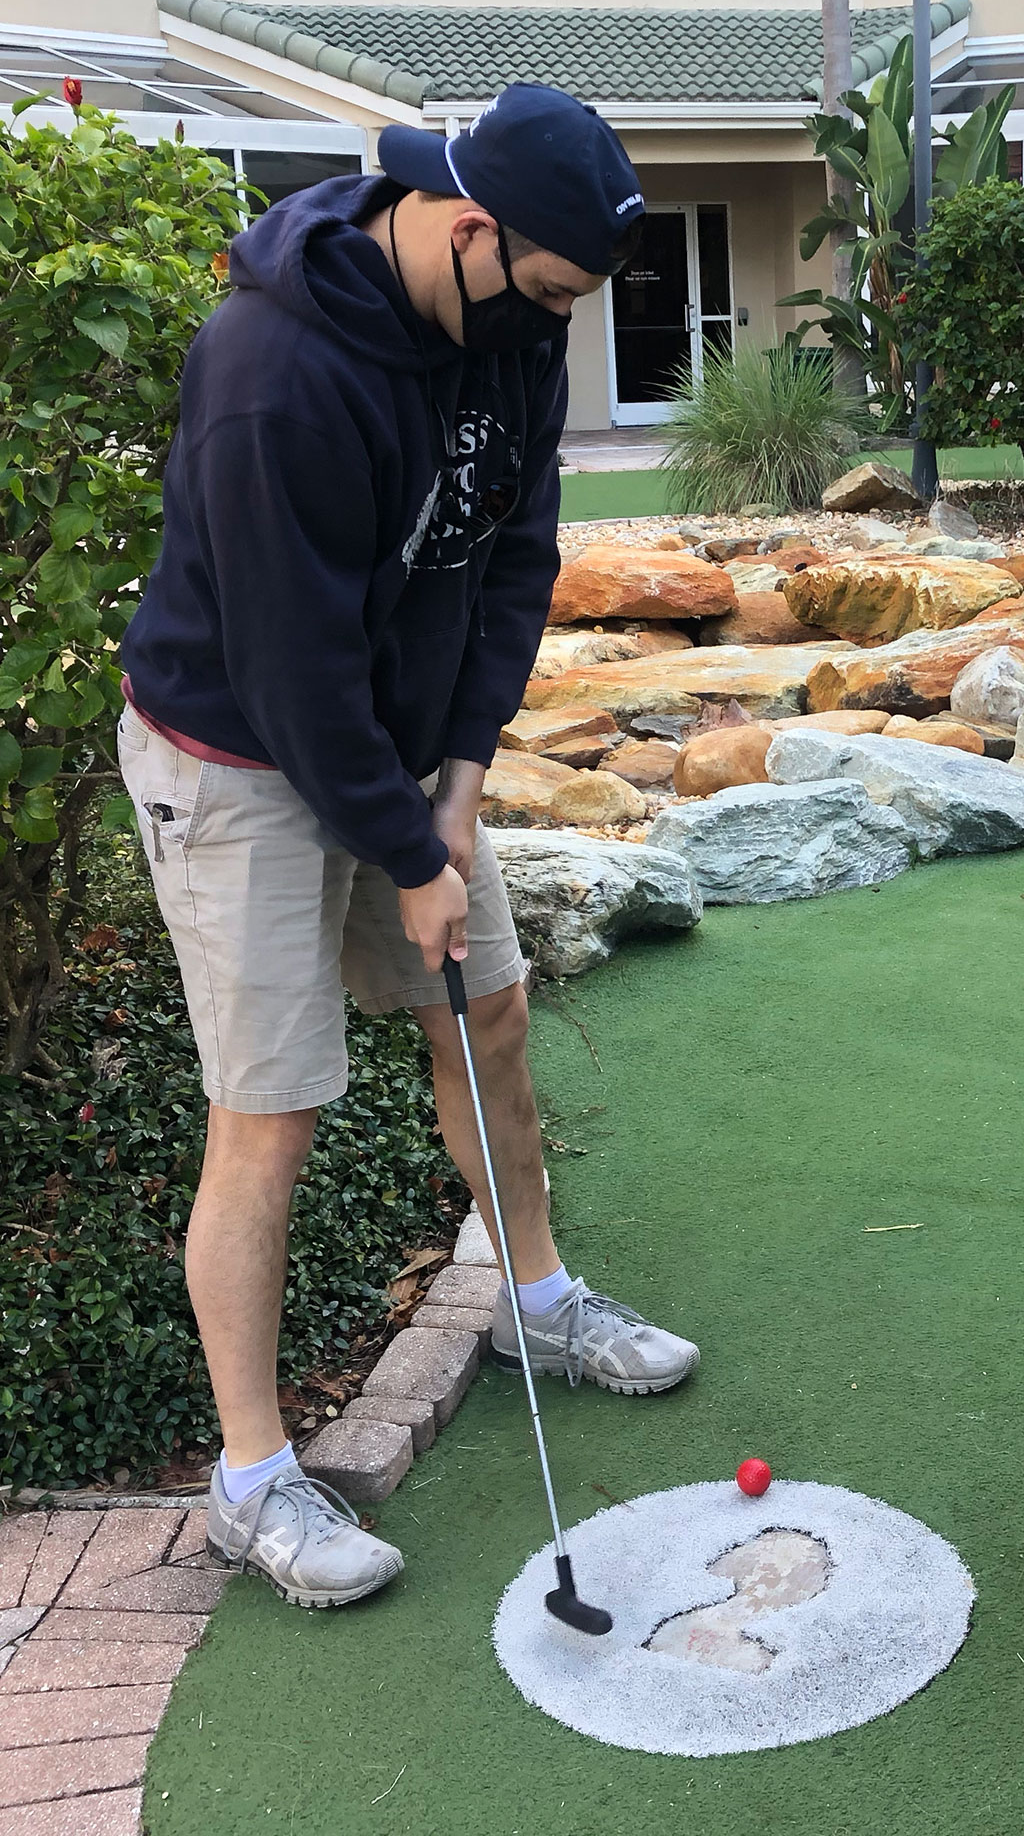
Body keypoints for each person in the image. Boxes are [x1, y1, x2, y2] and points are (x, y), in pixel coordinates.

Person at [115, 84, 699, 1611]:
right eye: (554, 293)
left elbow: (515, 558)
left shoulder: (510, 322)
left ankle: (539, 1297)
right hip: (237, 753)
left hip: (395, 751)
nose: (558, 327)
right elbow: (291, 668)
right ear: (467, 224)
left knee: (488, 1015)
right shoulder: (273, 372)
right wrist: (406, 840)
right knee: (273, 1109)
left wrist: (456, 787)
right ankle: (253, 1482)